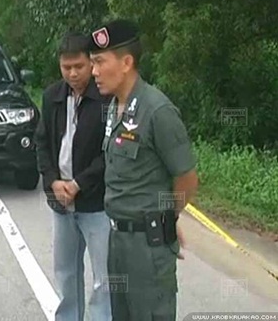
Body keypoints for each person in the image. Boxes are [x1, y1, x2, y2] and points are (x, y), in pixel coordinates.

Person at [87, 19, 199, 321]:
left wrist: (166, 217)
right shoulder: (115, 108)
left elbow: (187, 178)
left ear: (126, 63)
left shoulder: (158, 111)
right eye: (92, 63)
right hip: (117, 240)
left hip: (147, 248)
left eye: (100, 62)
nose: (94, 71)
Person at [34, 32, 112, 321]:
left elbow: (109, 153)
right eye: (66, 67)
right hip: (62, 202)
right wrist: (53, 181)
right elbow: (42, 142)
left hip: (96, 203)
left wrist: (79, 184)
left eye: (79, 66)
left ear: (91, 63)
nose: (73, 73)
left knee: (104, 277)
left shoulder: (106, 99)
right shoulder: (52, 96)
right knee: (66, 272)